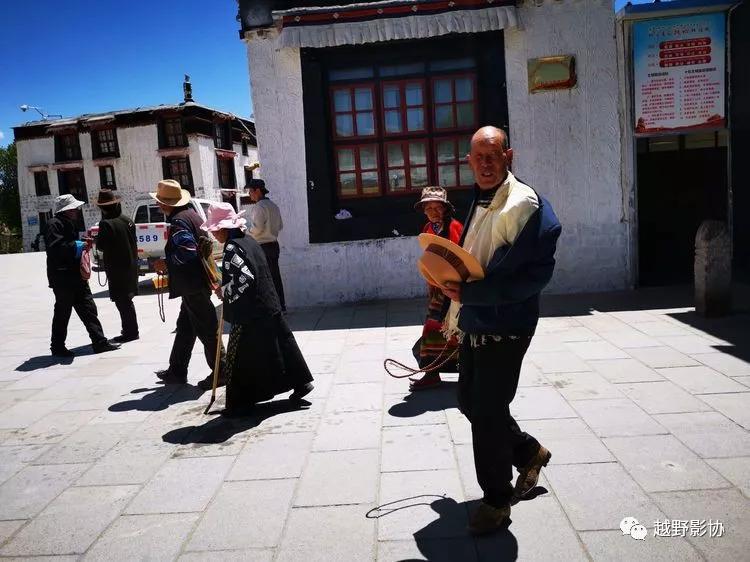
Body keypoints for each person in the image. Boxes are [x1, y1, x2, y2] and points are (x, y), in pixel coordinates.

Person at [441, 126, 561, 535]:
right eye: (478, 157)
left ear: (508, 155)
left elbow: (534, 275)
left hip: (506, 325)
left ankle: (496, 500)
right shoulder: (480, 197)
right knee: (470, 401)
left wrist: (472, 294)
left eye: (493, 155)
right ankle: (528, 451)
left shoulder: (522, 202)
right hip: (477, 319)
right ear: (469, 161)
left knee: (487, 414)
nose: (486, 164)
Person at [201, 202, 313, 417]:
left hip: (250, 312)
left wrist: (225, 291)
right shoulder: (249, 241)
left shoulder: (233, 247)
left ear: (224, 228)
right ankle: (301, 383)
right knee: (281, 346)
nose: (214, 236)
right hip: (268, 303)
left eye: (215, 231)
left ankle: (242, 401)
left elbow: (243, 278)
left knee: (242, 356)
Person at [151, 179, 226, 389]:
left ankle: (222, 370)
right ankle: (177, 369)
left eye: (160, 202)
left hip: (192, 284)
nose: (159, 206)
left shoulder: (178, 222)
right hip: (197, 282)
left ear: (168, 204)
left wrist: (166, 263)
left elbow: (187, 252)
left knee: (207, 327)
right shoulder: (192, 215)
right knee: (185, 326)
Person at [45, 194, 119, 357]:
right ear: (66, 210)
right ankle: (57, 346)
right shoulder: (53, 224)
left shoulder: (68, 224)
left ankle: (99, 341)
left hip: (75, 276)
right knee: (63, 312)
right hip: (63, 278)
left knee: (88, 308)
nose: (77, 211)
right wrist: (79, 245)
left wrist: (81, 245)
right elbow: (56, 248)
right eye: (74, 209)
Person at [409, 186, 463, 391]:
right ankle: (431, 373)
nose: (432, 212)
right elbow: (430, 260)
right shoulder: (428, 230)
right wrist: (431, 283)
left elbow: (461, 259)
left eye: (436, 207)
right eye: (428, 207)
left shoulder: (455, 227)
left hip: (455, 290)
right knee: (433, 330)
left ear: (445, 209)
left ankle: (465, 372)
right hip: (438, 290)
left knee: (457, 331)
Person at [94, 189, 139, 342]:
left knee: (123, 302)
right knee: (127, 300)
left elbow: (101, 246)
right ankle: (130, 329)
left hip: (117, 268)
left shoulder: (106, 224)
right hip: (131, 265)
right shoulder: (128, 221)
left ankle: (130, 331)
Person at [246, 179, 286, 312]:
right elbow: (280, 226)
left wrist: (246, 233)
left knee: (264, 280)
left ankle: (271, 308)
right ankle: (281, 306)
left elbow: (257, 229)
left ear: (257, 191)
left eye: (251, 191)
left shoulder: (259, 207)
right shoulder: (273, 205)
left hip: (262, 247)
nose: (250, 194)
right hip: (274, 245)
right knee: (275, 278)